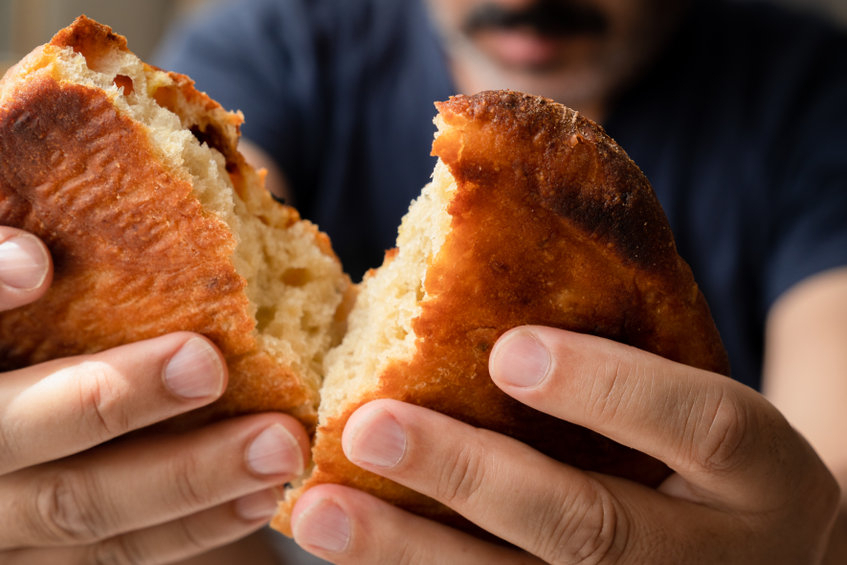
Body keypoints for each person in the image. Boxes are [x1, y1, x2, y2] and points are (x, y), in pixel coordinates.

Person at [1, 0, 845, 562]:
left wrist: (819, 539)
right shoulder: (282, 37)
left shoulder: (814, 95)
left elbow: (830, 460)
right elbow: (196, 302)